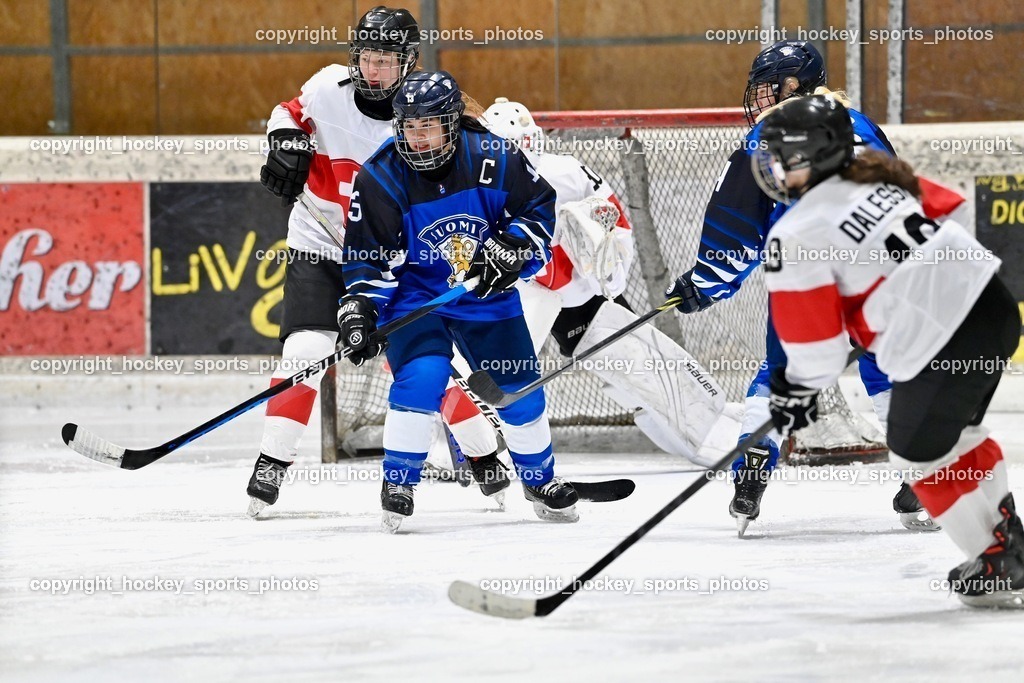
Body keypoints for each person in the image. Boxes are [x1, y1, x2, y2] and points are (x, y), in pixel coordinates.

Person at [758, 94, 1022, 608]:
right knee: (958, 434)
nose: (770, 167)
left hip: (946, 339)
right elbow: (953, 211)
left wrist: (794, 394)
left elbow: (817, 354)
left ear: (809, 156)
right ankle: (1007, 537)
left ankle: (1000, 560)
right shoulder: (877, 177)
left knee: (916, 453)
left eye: (779, 155)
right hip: (995, 308)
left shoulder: (794, 232)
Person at [665, 40, 935, 535]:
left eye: (767, 88)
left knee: (779, 371)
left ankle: (754, 459)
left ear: (793, 84)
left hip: (807, 275)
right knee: (888, 368)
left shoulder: (767, 136)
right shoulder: (864, 124)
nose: (760, 99)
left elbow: (737, 224)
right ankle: (919, 473)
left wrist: (705, 283)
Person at [434, 97, 726, 505]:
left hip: (576, 292)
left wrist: (603, 264)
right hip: (522, 290)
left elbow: (615, 226)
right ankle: (472, 450)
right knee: (485, 368)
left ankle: (715, 433)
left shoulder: (564, 171)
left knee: (642, 368)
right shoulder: (479, 181)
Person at [339, 70, 579, 532]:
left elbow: (538, 207)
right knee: (423, 377)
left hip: (483, 291)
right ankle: (399, 483)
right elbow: (366, 257)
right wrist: (360, 310)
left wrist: (513, 246)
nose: (417, 138)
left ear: (452, 123)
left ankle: (540, 480)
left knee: (519, 390)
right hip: (416, 298)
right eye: (408, 127)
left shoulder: (493, 154)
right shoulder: (380, 176)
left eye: (427, 126)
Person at [246, 6, 420, 517]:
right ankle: (271, 463)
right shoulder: (327, 89)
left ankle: (486, 461)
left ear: (408, 62)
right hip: (319, 243)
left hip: (389, 260)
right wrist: (284, 142)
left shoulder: (424, 116)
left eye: (386, 61)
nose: (374, 70)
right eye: (367, 57)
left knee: (426, 367)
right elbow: (287, 112)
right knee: (303, 355)